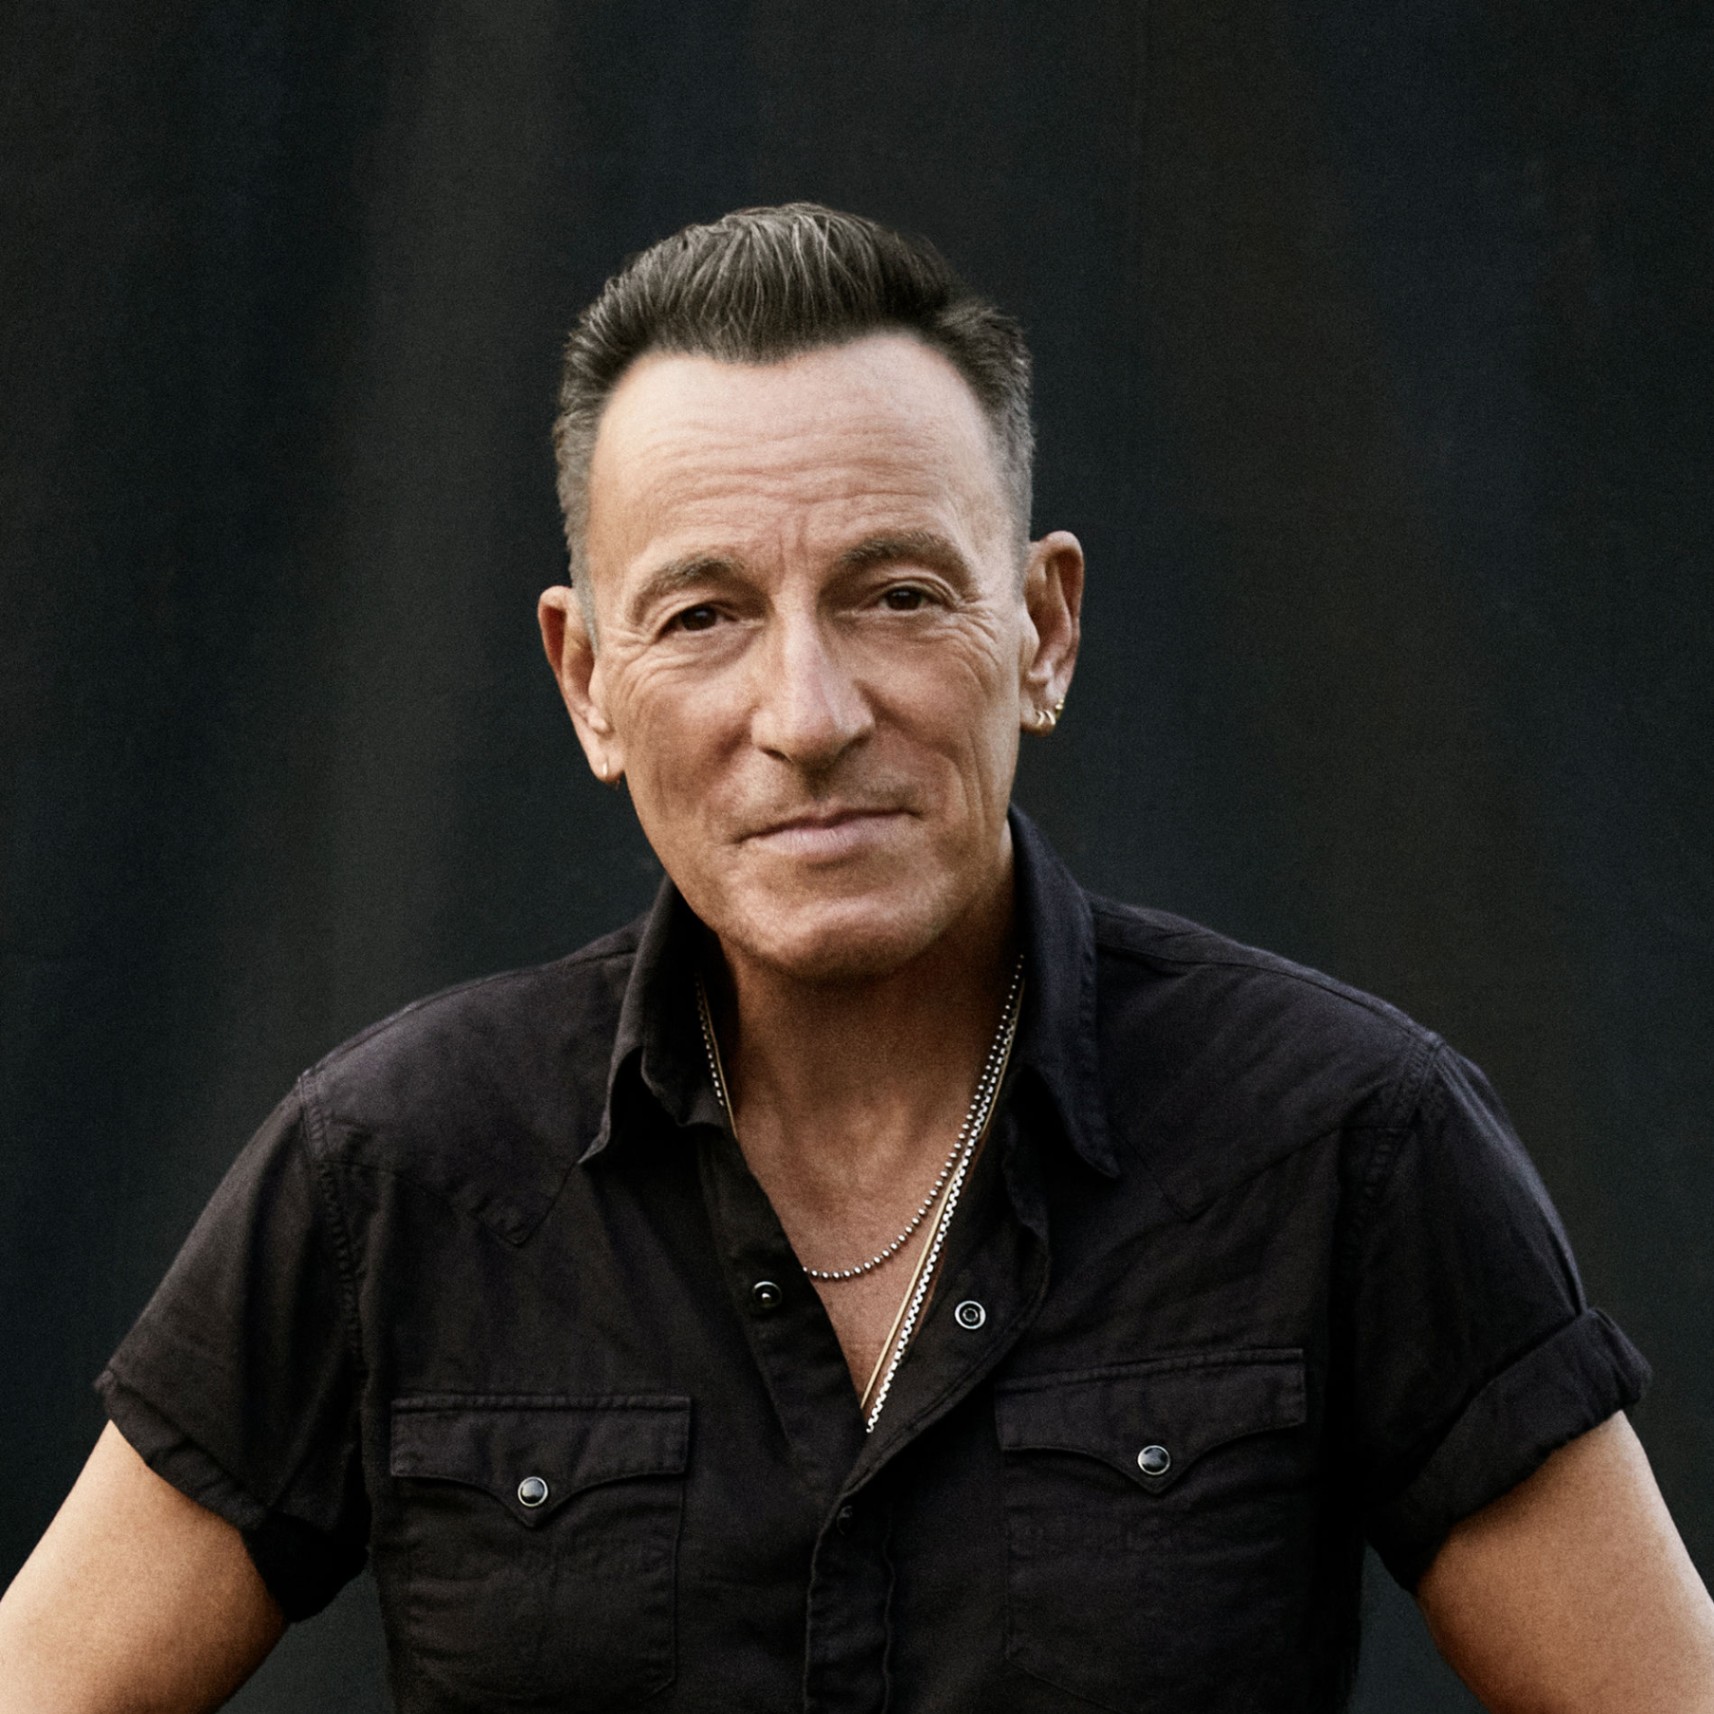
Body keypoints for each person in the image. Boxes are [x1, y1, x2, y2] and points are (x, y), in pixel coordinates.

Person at [2, 203, 1711, 1714]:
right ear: (587, 682)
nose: (808, 714)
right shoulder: (394, 1169)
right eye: (704, 614)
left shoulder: (1349, 1143)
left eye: (895, 593)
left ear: (1041, 630)